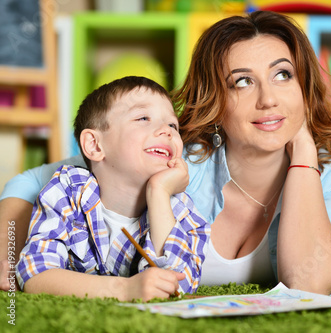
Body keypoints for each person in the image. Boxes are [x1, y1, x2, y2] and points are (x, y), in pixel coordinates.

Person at [0, 10, 331, 296]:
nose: (268, 99)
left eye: (283, 76)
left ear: (304, 85)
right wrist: (8, 248)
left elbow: (311, 283)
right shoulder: (179, 156)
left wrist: (303, 146)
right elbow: (30, 182)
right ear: (216, 100)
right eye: (242, 81)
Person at [14, 76, 209, 301]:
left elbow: (178, 288)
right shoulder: (67, 190)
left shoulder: (181, 210)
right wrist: (124, 290)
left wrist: (159, 192)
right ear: (95, 145)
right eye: (143, 117)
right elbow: (35, 274)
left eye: (173, 125)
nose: (167, 131)